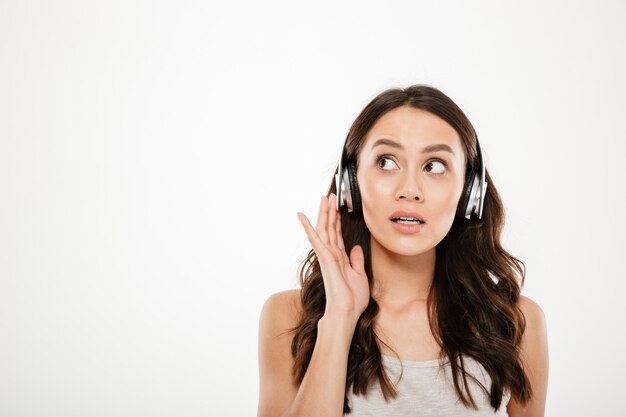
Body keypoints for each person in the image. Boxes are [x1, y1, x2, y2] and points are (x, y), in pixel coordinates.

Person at [257, 84, 549, 417]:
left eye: (435, 166)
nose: (409, 190)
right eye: (386, 161)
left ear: (470, 193)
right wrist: (339, 316)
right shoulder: (289, 317)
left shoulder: (516, 324)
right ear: (351, 183)